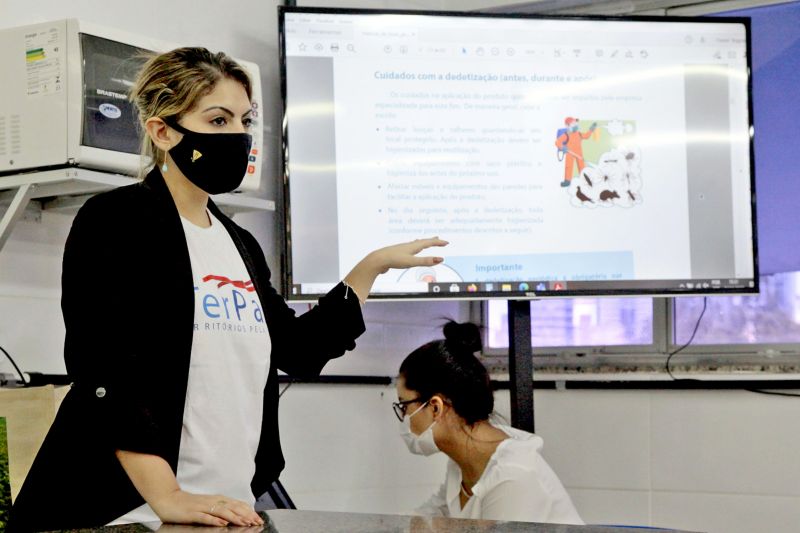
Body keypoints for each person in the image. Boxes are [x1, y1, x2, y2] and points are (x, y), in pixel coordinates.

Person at [9, 47, 447, 532]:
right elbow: (108, 373)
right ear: (162, 131)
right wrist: (168, 496)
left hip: (221, 509)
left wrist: (368, 270)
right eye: (217, 121)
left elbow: (296, 350)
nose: (237, 135)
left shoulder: (237, 241)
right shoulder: (117, 221)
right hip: (124, 513)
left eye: (244, 120)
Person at [394, 321, 583, 524]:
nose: (404, 418)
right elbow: (424, 520)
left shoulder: (513, 476)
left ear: (435, 407)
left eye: (405, 406)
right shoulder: (463, 462)